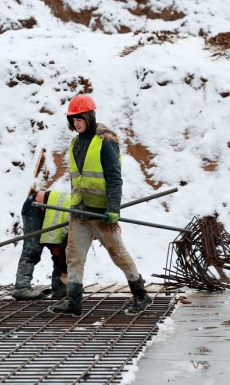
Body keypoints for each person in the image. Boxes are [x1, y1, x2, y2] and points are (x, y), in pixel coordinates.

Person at [48, 94, 153, 317]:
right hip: (80, 212)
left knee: (117, 253)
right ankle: (74, 302)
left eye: (80, 118)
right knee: (74, 256)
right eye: (73, 119)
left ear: (90, 116)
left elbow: (115, 178)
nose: (76, 123)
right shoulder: (75, 142)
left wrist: (113, 208)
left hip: (102, 212)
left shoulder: (106, 142)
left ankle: (141, 294)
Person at [12, 190, 71, 300]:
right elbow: (62, 246)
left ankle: (59, 288)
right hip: (34, 206)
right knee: (32, 248)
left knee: (63, 251)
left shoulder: (86, 218)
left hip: (47, 210)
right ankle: (21, 287)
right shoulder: (77, 219)